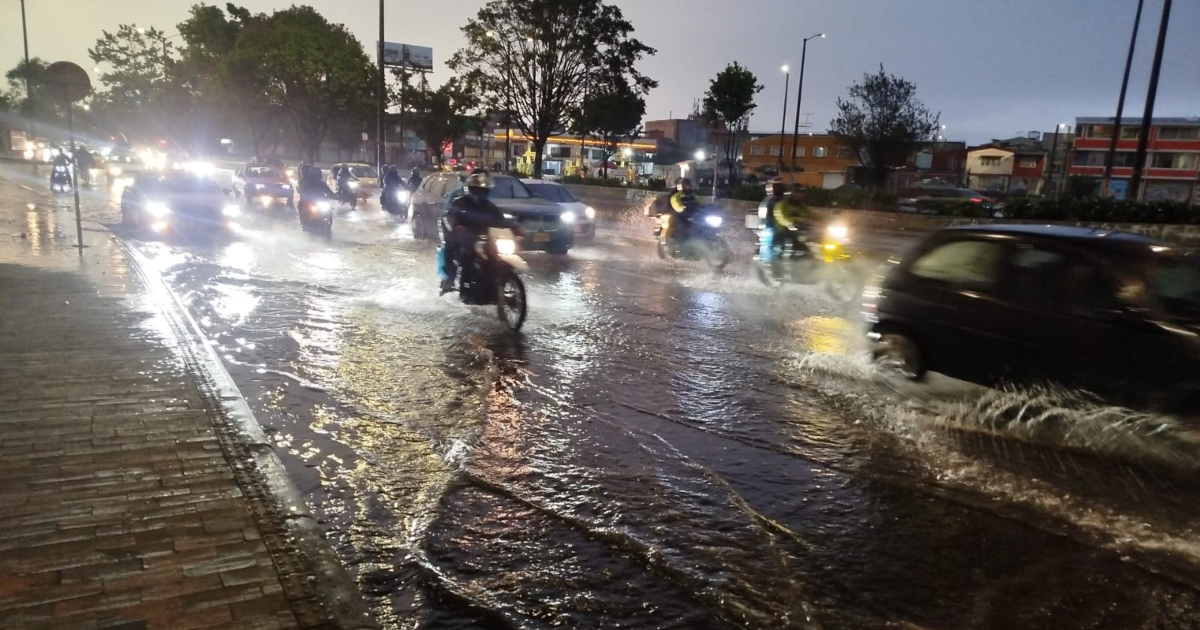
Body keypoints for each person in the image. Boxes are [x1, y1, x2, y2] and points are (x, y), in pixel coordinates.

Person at [438, 169, 512, 294]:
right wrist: (457, 225)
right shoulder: (460, 202)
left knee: (504, 256)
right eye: (477, 189)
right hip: (462, 236)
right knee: (456, 249)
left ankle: (502, 283)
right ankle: (450, 279)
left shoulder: (489, 206)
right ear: (471, 188)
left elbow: (502, 220)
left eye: (483, 190)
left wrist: (515, 228)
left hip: (482, 237)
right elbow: (450, 215)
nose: (480, 193)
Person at [763, 183, 814, 265]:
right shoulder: (780, 204)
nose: (800, 194)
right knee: (779, 243)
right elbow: (781, 217)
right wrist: (793, 222)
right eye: (797, 191)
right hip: (780, 230)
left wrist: (829, 220)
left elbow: (812, 215)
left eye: (802, 191)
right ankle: (774, 263)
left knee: (808, 245)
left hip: (796, 231)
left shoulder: (800, 206)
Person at [665, 178, 700, 242]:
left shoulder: (692, 195)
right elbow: (677, 205)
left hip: (691, 215)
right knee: (682, 225)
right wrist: (682, 208)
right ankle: (679, 243)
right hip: (679, 216)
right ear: (682, 186)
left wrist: (708, 207)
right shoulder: (676, 196)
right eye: (686, 185)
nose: (688, 187)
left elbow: (700, 202)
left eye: (689, 185)